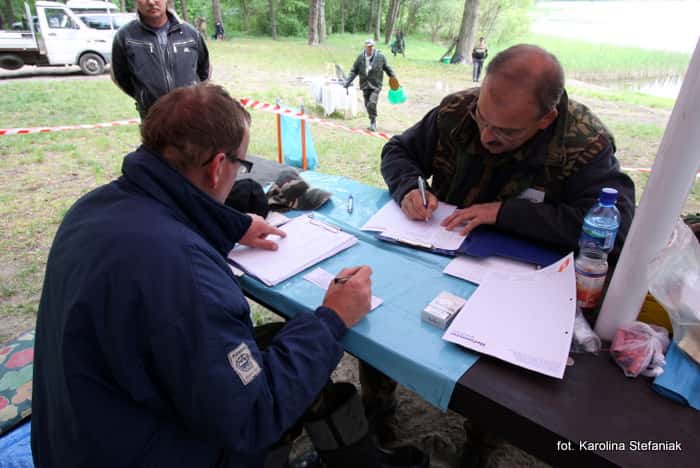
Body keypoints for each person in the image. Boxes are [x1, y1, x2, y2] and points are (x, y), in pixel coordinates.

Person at [31, 84, 426, 468]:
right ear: (219, 166)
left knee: (282, 341)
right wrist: (333, 318)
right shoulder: (186, 274)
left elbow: (163, 235)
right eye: (242, 165)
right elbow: (253, 414)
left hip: (79, 435)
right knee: (300, 356)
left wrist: (229, 225)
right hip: (149, 450)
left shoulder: (93, 207)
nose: (240, 175)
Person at [376, 44, 635, 457]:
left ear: (546, 118)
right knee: (380, 311)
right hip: (438, 252)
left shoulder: (584, 143)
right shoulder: (457, 111)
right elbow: (398, 150)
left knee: (497, 372)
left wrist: (504, 213)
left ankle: (481, 445)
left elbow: (609, 230)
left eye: (507, 132)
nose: (486, 136)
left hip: (518, 280)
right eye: (483, 118)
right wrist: (408, 185)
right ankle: (376, 414)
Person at [111, 0, 210, 119]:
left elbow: (204, 70)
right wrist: (144, 96)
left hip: (192, 114)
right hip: (153, 116)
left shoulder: (190, 33)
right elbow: (120, 76)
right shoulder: (125, 37)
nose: (151, 2)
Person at [344, 38, 397, 132]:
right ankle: (372, 120)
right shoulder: (360, 57)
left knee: (372, 103)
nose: (370, 48)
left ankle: (373, 123)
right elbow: (354, 71)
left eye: (372, 46)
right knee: (367, 104)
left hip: (376, 85)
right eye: (368, 46)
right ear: (365, 47)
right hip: (364, 85)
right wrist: (347, 82)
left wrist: (394, 80)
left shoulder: (380, 56)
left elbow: (388, 69)